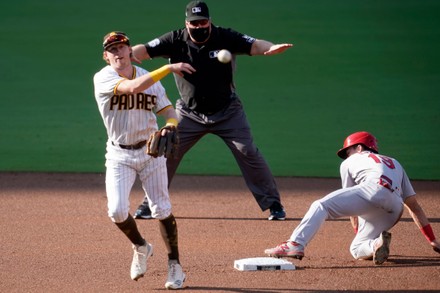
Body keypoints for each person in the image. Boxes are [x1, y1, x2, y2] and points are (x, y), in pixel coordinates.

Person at [131, 0, 293, 221]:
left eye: (203, 22)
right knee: (165, 152)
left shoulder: (225, 37)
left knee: (248, 151)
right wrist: (126, 55)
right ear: (186, 24)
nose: (199, 27)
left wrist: (271, 48)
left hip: (228, 112)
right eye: (194, 23)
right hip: (189, 113)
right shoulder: (174, 40)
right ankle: (150, 204)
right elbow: (144, 50)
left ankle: (273, 205)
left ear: (210, 21)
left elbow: (255, 45)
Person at [93, 31, 195, 289]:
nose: (118, 53)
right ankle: (141, 245)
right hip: (119, 154)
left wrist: (171, 125)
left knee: (161, 208)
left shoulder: (151, 80)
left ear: (130, 52)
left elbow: (167, 110)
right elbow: (133, 88)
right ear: (106, 57)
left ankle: (175, 266)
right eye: (112, 49)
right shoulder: (104, 78)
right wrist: (168, 67)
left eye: (122, 47)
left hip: (151, 152)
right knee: (116, 211)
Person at [264, 131, 440, 264]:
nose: (347, 155)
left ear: (359, 148)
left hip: (371, 191)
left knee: (321, 205)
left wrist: (357, 230)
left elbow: (352, 210)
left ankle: (295, 243)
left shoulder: (350, 162)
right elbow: (414, 206)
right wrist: (432, 240)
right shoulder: (395, 163)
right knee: (356, 248)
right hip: (394, 207)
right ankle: (375, 244)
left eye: (348, 151)